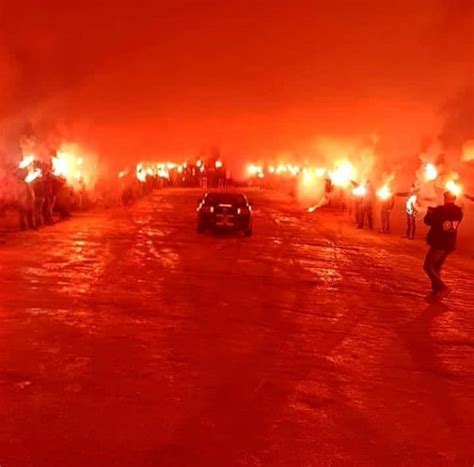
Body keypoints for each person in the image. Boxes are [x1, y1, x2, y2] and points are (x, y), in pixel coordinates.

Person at [423, 191, 463, 300]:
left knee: (428, 266)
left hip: (439, 243)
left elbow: (427, 221)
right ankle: (436, 292)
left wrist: (429, 213)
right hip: (449, 244)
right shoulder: (459, 212)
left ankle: (442, 288)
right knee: (436, 268)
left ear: (445, 198)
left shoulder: (440, 210)